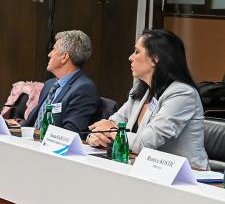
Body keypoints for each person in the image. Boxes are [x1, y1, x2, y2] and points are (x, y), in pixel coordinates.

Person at [88, 28, 208, 169]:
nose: (130, 57)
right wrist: (96, 136)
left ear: (155, 59)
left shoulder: (182, 94)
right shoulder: (141, 90)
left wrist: (112, 131)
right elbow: (113, 123)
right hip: (146, 169)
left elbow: (145, 142)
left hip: (186, 178)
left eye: (137, 52)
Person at [17, 30, 100, 134]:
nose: (49, 54)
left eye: (53, 50)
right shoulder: (49, 84)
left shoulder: (84, 89)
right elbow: (34, 122)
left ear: (64, 57)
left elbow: (69, 132)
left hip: (52, 147)